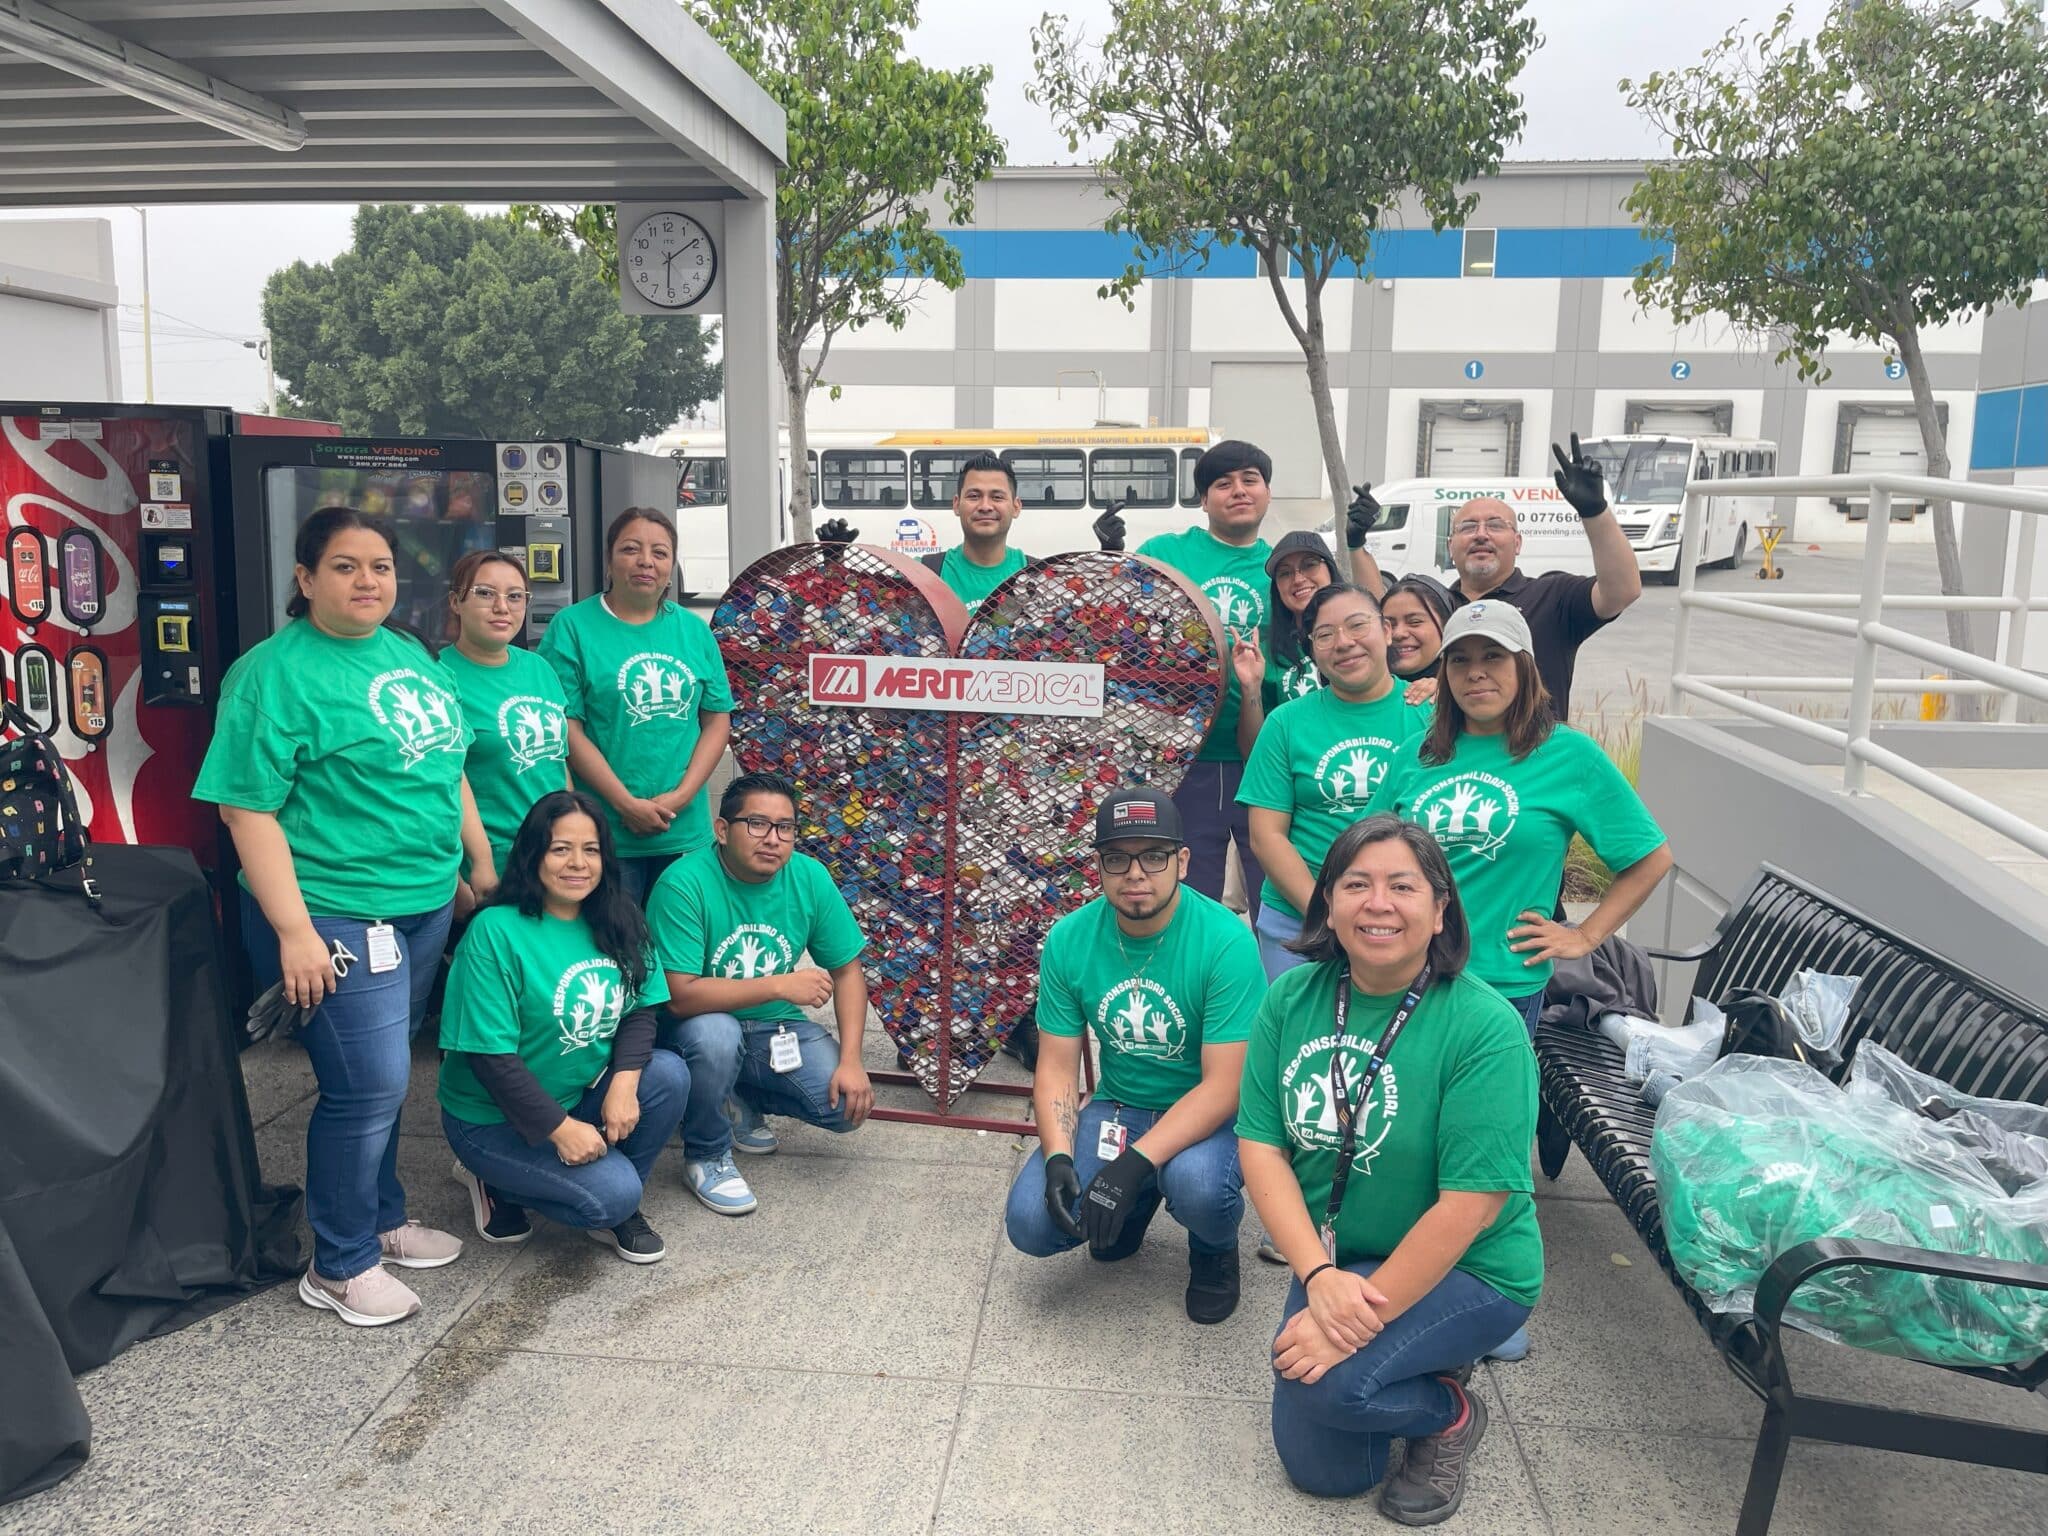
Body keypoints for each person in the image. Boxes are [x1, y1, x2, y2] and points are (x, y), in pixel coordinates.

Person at [194, 506, 484, 1328]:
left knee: (383, 1076)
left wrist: (472, 865)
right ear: (306, 578)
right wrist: (295, 932)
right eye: (348, 566)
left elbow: (449, 766)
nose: (368, 582)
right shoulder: (272, 674)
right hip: (332, 912)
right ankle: (339, 1261)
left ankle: (381, 1219)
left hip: (421, 905)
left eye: (382, 567)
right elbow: (246, 812)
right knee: (370, 1086)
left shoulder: (409, 655)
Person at [1385, 600, 1669, 1365]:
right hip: (1407, 980)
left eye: (1494, 659)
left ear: (1525, 669)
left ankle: (1493, 1294)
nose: (1477, 675)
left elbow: (1648, 857)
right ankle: (1412, 1268)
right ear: (1443, 674)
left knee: (1489, 1144)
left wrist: (1582, 933)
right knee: (1412, 1133)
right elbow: (1378, 859)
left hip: (1504, 985)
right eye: (1461, 661)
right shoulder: (1419, 754)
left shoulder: (1566, 757)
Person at [1238, 815, 1541, 1526]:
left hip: (1473, 1269)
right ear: (1329, 904)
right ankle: (1417, 1373)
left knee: (1329, 1389)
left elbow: (1472, 1205)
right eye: (1357, 885)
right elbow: (1261, 1147)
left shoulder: (1485, 1028)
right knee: (1324, 1472)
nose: (1378, 904)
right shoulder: (1291, 998)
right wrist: (1317, 1276)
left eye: (1402, 886)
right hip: (1341, 1255)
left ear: (1440, 910)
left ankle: (1450, 1411)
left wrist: (1349, 1326)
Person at [1003, 787, 1266, 1323]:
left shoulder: (1225, 941)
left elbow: (1225, 1086)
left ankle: (1213, 1249)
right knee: (1032, 1221)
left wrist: (1130, 1164)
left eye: (1154, 855)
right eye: (1118, 858)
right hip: (1120, 1107)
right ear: (1098, 866)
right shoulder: (1070, 938)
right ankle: (1140, 1199)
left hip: (1214, 1113)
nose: (1136, 873)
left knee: (1198, 1186)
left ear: (1183, 862)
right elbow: (1055, 1065)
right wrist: (1057, 1157)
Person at [439, 791, 689, 1262]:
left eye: (591, 850)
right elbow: (491, 1059)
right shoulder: (496, 930)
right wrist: (560, 1130)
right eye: (560, 849)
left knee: (668, 1074)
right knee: (611, 1195)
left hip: (575, 1095)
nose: (578, 863)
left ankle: (615, 1199)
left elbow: (640, 1008)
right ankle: (496, 1179)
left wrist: (624, 1083)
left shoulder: (617, 917)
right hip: (490, 1119)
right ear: (533, 854)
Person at [648, 771, 875, 1215]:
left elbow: (848, 972)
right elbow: (679, 996)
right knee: (716, 1037)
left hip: (776, 1027)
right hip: (694, 1029)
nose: (772, 839)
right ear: (721, 829)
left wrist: (852, 1061)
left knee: (846, 1106)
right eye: (757, 824)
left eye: (785, 827)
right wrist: (778, 984)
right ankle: (707, 1153)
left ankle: (734, 1095)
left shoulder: (808, 876)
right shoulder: (684, 883)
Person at [538, 508, 733, 905]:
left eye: (660, 553)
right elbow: (565, 727)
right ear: (609, 559)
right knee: (612, 948)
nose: (647, 561)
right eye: (631, 549)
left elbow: (716, 720)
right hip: (604, 833)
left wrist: (681, 796)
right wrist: (625, 804)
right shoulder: (572, 627)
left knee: (678, 955)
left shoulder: (693, 630)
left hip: (683, 830)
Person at [1239, 584, 1432, 983]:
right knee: (1305, 1042)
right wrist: (1327, 913)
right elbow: (1266, 836)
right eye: (1325, 635)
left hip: (1403, 922)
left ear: (1386, 630)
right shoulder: (1286, 723)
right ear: (1312, 649)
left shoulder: (1432, 715)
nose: (1343, 643)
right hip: (1301, 923)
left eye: (1357, 625)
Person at [1135, 439, 1277, 920]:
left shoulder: (1287, 567)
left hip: (1265, 758)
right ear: (1203, 500)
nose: (1238, 491)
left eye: (1249, 480)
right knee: (1190, 895)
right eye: (1223, 483)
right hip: (1187, 759)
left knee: (1271, 894)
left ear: (1267, 492)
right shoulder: (1165, 553)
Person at [1443, 435, 1642, 719]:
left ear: (1518, 543)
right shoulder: (1432, 605)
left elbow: (1623, 591)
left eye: (1496, 525)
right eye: (1468, 527)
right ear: (1451, 546)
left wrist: (1594, 511)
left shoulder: (1553, 597)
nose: (1481, 534)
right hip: (1458, 759)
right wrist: (1356, 545)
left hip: (1536, 758)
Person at [815, 450, 1126, 608]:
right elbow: (861, 615)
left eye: (997, 496)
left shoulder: (1037, 578)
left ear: (1016, 507)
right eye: (974, 496)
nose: (985, 505)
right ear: (956, 504)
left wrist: (1111, 556)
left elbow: (1090, 623)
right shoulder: (926, 574)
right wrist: (833, 564)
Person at [439, 550, 570, 911]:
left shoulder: (539, 668)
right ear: (456, 602)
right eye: (485, 593)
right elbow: (434, 783)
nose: (502, 607)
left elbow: (558, 764)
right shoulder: (437, 674)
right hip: (486, 867)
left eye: (515, 596)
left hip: (552, 858)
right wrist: (459, 880)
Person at [1230, 530, 1338, 754]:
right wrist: (1251, 687)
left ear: (1330, 568)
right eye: (1285, 573)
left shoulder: (1359, 639)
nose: (1298, 579)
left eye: (1309, 565)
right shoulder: (1267, 654)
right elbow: (1252, 750)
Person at [1383, 573, 1452, 686]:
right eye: (1389, 624)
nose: (1398, 634)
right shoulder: (1359, 693)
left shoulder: (1466, 691)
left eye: (1415, 622)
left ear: (1446, 627)